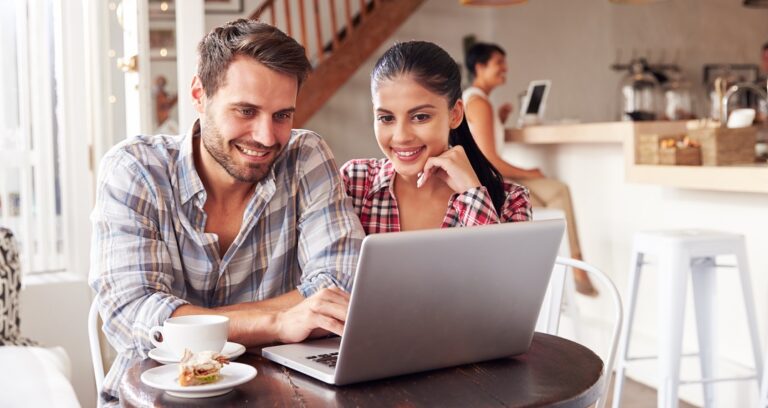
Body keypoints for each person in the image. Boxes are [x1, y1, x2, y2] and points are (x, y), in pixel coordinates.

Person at [89, 19, 364, 405]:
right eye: (246, 111)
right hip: (154, 396)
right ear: (200, 95)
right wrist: (279, 322)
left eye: (282, 115)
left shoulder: (305, 157)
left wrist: (188, 319)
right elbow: (130, 315)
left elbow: (339, 289)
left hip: (276, 394)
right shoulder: (135, 170)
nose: (267, 137)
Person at [341, 40, 531, 236]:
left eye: (420, 117)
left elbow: (507, 267)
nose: (402, 136)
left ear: (455, 114)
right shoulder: (353, 183)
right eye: (386, 118)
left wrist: (472, 194)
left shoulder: (510, 200)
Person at [462, 42, 596, 296]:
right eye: (499, 63)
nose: (506, 68)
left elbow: (478, 143)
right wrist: (529, 172)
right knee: (553, 195)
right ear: (480, 67)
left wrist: (498, 120)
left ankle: (573, 267)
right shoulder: (479, 104)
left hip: (489, 183)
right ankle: (567, 271)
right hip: (490, 188)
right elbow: (489, 159)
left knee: (557, 192)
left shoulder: (475, 101)